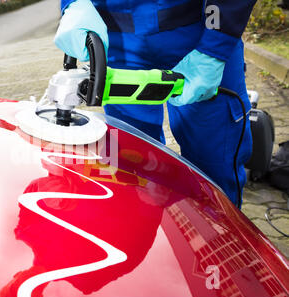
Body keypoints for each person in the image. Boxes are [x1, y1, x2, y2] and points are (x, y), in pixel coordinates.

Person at [55, 0, 257, 206]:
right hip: (119, 40)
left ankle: (221, 233)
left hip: (200, 33)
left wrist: (215, 47)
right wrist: (74, 3)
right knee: (133, 169)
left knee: (215, 171)